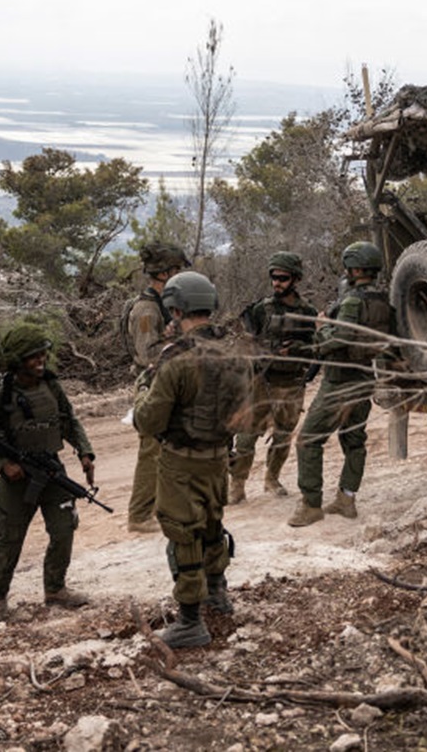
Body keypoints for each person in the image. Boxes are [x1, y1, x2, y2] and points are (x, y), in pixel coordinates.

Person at [132, 271, 251, 648]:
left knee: (183, 535)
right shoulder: (237, 356)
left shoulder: (176, 361)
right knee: (213, 526)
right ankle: (218, 593)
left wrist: (139, 396)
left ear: (176, 309)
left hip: (181, 462)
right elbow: (246, 416)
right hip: (217, 458)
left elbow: (149, 421)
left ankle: (189, 619)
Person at [0, 324, 97, 626]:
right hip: (17, 480)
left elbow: (69, 421)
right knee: (10, 539)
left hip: (52, 470)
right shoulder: (0, 396)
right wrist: (4, 464)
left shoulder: (51, 385)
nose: (41, 359)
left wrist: (85, 452)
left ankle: (55, 589)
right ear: (18, 360)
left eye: (43, 353)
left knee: (64, 529)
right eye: (33, 355)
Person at [288, 241, 398, 527]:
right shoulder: (384, 301)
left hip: (339, 382)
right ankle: (346, 499)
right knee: (353, 440)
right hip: (364, 378)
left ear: (355, 267)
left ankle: (310, 505)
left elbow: (338, 341)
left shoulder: (352, 301)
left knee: (308, 440)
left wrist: (322, 326)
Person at [228, 251, 318, 504]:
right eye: (273, 277)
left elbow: (316, 347)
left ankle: (272, 478)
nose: (277, 282)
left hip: (291, 384)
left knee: (283, 436)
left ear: (295, 279)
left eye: (283, 278)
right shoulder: (261, 310)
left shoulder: (307, 312)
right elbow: (244, 343)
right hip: (262, 382)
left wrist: (296, 352)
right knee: (246, 438)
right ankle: (237, 485)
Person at [123, 242, 191, 533]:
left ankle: (159, 508)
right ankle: (139, 516)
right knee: (151, 452)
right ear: (163, 273)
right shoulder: (147, 310)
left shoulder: (163, 305)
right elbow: (147, 355)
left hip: (168, 383)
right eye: (176, 270)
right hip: (152, 386)